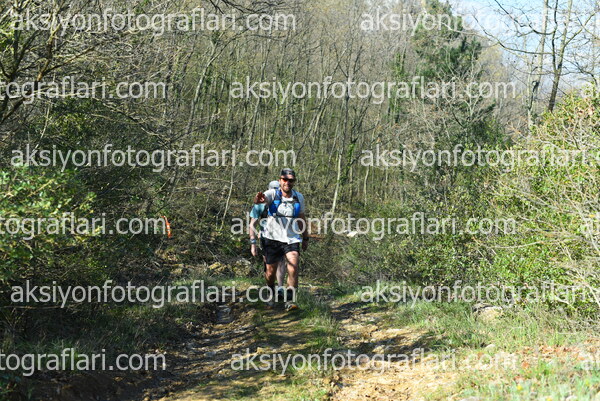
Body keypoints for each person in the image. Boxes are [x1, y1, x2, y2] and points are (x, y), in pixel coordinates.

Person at [254, 168, 308, 311]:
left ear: (294, 181)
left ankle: (289, 300)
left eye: (291, 180)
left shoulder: (299, 197)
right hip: (271, 238)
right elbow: (261, 202)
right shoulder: (272, 193)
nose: (287, 182)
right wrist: (258, 202)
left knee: (293, 267)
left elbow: (301, 217)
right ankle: (271, 293)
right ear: (280, 180)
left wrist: (306, 237)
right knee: (270, 272)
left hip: (292, 238)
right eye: (285, 179)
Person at [249, 180, 286, 299]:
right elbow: (252, 224)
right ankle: (271, 288)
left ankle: (280, 288)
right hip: (266, 237)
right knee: (269, 264)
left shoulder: (285, 202)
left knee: (281, 261)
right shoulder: (260, 204)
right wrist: (253, 242)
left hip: (282, 236)